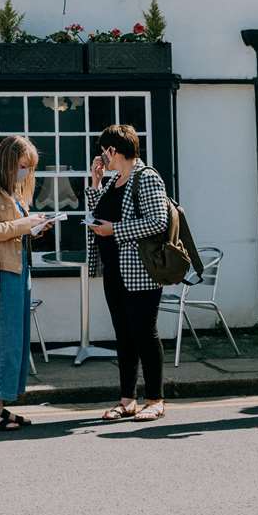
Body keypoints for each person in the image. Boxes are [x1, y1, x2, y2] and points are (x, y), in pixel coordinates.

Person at [87, 123, 171, 423]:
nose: (101, 157)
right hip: (115, 270)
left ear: (113, 150)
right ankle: (127, 400)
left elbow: (158, 221)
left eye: (103, 151)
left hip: (141, 270)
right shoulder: (115, 180)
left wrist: (116, 230)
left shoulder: (146, 178)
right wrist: (96, 183)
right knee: (124, 335)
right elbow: (100, 216)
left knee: (145, 334)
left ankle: (155, 399)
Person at [0, 135, 48, 432]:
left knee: (14, 339)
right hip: (0, 273)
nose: (26, 172)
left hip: (17, 269)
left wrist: (35, 227)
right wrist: (24, 225)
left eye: (29, 167)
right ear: (8, 161)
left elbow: (12, 230)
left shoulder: (8, 189)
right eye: (23, 165)